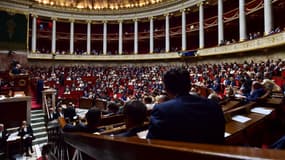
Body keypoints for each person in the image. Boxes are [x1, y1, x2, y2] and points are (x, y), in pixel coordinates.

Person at [147, 68, 225, 144]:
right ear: (189, 86)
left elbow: (151, 143)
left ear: (166, 88)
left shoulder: (161, 110)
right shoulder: (213, 105)